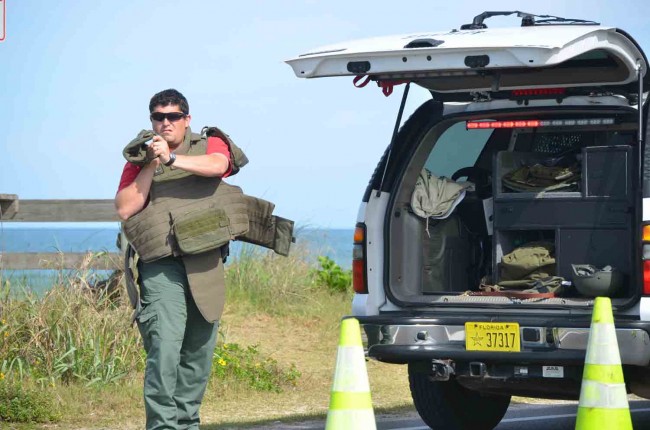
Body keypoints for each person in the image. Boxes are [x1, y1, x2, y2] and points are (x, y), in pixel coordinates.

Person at [115, 89, 247, 430]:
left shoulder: (209, 144)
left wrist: (173, 160)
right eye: (158, 117)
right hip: (162, 264)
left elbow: (219, 166)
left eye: (173, 116)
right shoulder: (141, 155)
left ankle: (187, 424)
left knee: (198, 355)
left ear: (186, 119)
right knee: (164, 351)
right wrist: (152, 163)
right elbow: (126, 207)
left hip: (205, 260)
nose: (165, 123)